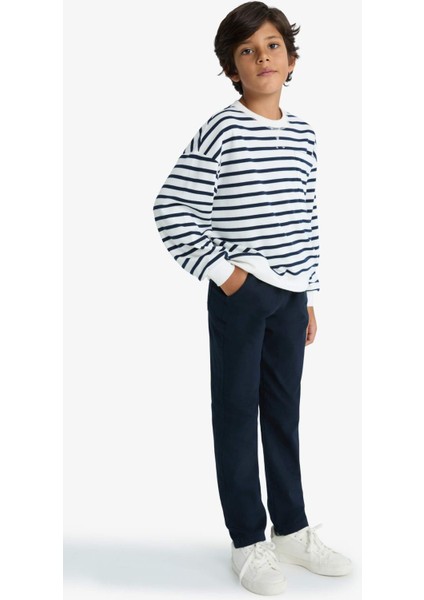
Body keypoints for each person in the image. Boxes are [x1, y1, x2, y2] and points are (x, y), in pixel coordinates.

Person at [153, 1, 352, 595]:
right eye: (247, 50)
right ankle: (247, 540)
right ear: (231, 68)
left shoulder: (305, 134)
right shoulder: (222, 128)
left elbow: (304, 217)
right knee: (237, 415)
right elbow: (171, 207)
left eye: (272, 46)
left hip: (291, 298)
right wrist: (226, 275)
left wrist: (308, 292)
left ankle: (291, 529)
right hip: (241, 295)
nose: (262, 57)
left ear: (291, 60)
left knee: (284, 414)